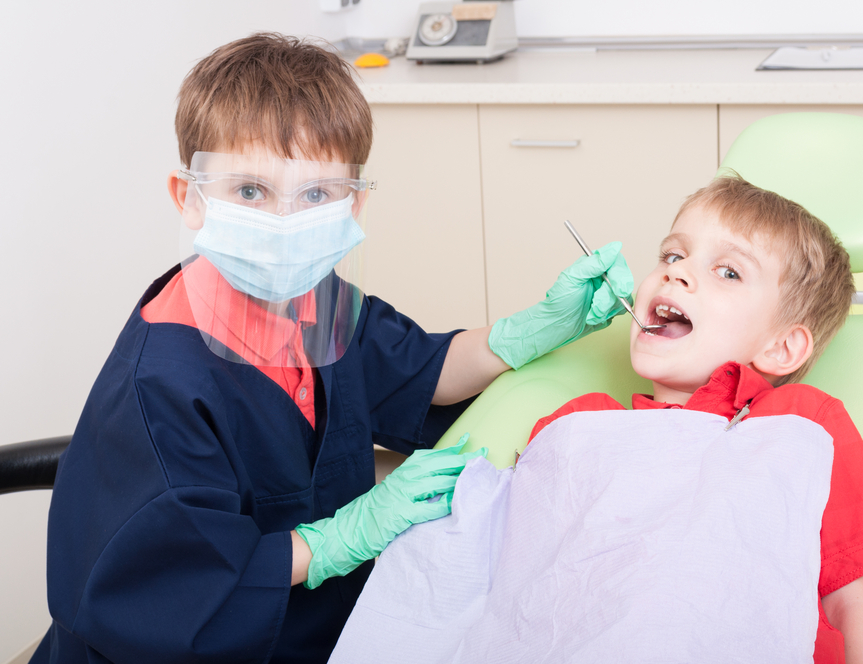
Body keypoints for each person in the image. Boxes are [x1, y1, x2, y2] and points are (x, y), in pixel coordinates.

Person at [31, 33, 633, 664]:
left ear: (356, 203)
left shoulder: (317, 303)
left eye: (316, 195)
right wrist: (348, 535)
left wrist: (536, 327)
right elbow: (178, 590)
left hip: (323, 629)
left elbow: (422, 373)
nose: (285, 222)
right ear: (189, 198)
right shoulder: (162, 391)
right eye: (249, 191)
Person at [524, 174, 863, 663]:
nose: (676, 273)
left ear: (781, 347)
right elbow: (517, 573)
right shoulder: (582, 425)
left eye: (728, 271)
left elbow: (852, 607)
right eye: (672, 255)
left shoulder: (802, 424)